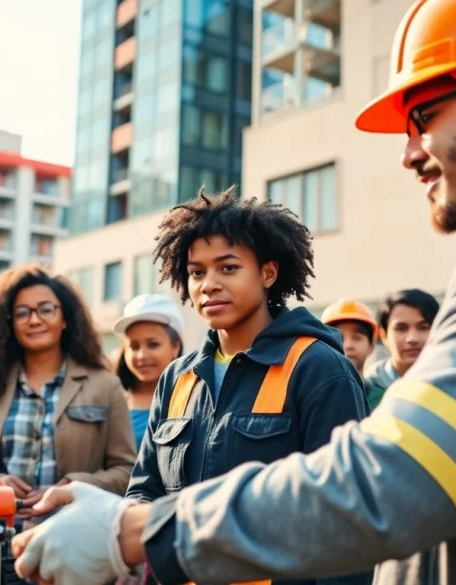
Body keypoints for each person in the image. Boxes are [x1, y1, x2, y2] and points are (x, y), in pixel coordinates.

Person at [8, 1, 456, 584]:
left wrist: (135, 532)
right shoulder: (180, 378)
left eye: (425, 116)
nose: (410, 153)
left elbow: (395, 480)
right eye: (197, 271)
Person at [120, 188, 371, 585]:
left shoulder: (320, 370)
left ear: (268, 273)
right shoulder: (176, 378)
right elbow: (143, 491)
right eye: (197, 272)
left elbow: (346, 521)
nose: (208, 284)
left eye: (228, 268)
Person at [0, 265, 137, 516]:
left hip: (74, 535)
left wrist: (76, 487)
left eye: (46, 309)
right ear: (9, 323)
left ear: (66, 318)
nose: (34, 320)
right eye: (22, 313)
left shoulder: (105, 386)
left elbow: (126, 471)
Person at [112, 294, 184, 450]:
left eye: (153, 344)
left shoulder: (197, 397)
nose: (142, 356)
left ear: (175, 346)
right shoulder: (111, 399)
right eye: (134, 346)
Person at [363, 290, 439, 410]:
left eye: (423, 327)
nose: (412, 338)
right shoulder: (366, 391)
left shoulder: (454, 385)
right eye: (401, 329)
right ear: (383, 335)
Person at [319, 299, 378, 376]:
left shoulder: (388, 388)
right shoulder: (308, 387)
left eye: (357, 338)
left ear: (371, 346)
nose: (348, 346)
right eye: (339, 338)